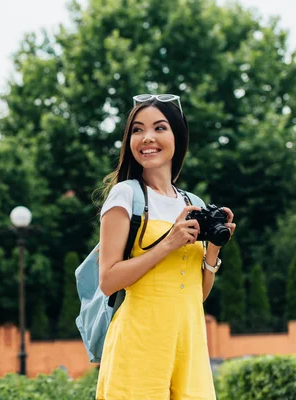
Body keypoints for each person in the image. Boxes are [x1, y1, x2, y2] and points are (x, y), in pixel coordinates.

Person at [95, 94, 236, 399]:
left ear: (177, 136)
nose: (147, 138)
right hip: (141, 341)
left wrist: (212, 251)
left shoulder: (193, 203)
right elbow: (107, 281)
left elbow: (196, 294)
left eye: (159, 128)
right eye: (137, 129)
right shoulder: (126, 195)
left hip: (189, 341)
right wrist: (168, 243)